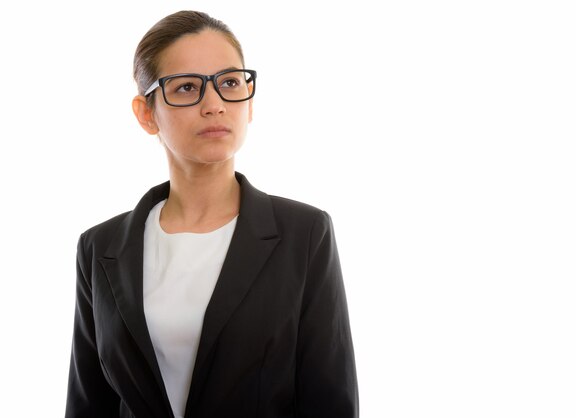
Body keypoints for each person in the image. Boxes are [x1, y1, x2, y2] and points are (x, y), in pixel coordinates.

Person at [64, 10, 358, 418]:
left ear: (249, 101)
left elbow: (330, 400)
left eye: (230, 83)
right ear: (146, 113)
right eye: (186, 87)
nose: (215, 104)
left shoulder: (305, 233)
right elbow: (87, 403)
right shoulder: (99, 247)